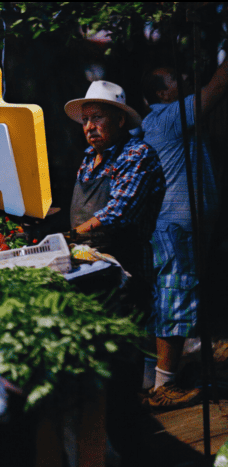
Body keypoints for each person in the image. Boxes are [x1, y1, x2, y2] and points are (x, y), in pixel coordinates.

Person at [138, 59, 228, 409]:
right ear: (162, 93)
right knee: (176, 296)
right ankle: (164, 387)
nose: (185, 79)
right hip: (177, 227)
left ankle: (152, 379)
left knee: (165, 298)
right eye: (175, 78)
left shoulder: (162, 120)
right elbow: (217, 89)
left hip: (178, 226)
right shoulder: (169, 116)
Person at [64, 80, 165, 318]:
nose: (89, 127)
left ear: (120, 120)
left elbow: (120, 211)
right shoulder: (89, 157)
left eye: (97, 118)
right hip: (87, 262)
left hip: (124, 267)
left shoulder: (136, 154)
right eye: (85, 120)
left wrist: (72, 235)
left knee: (122, 333)